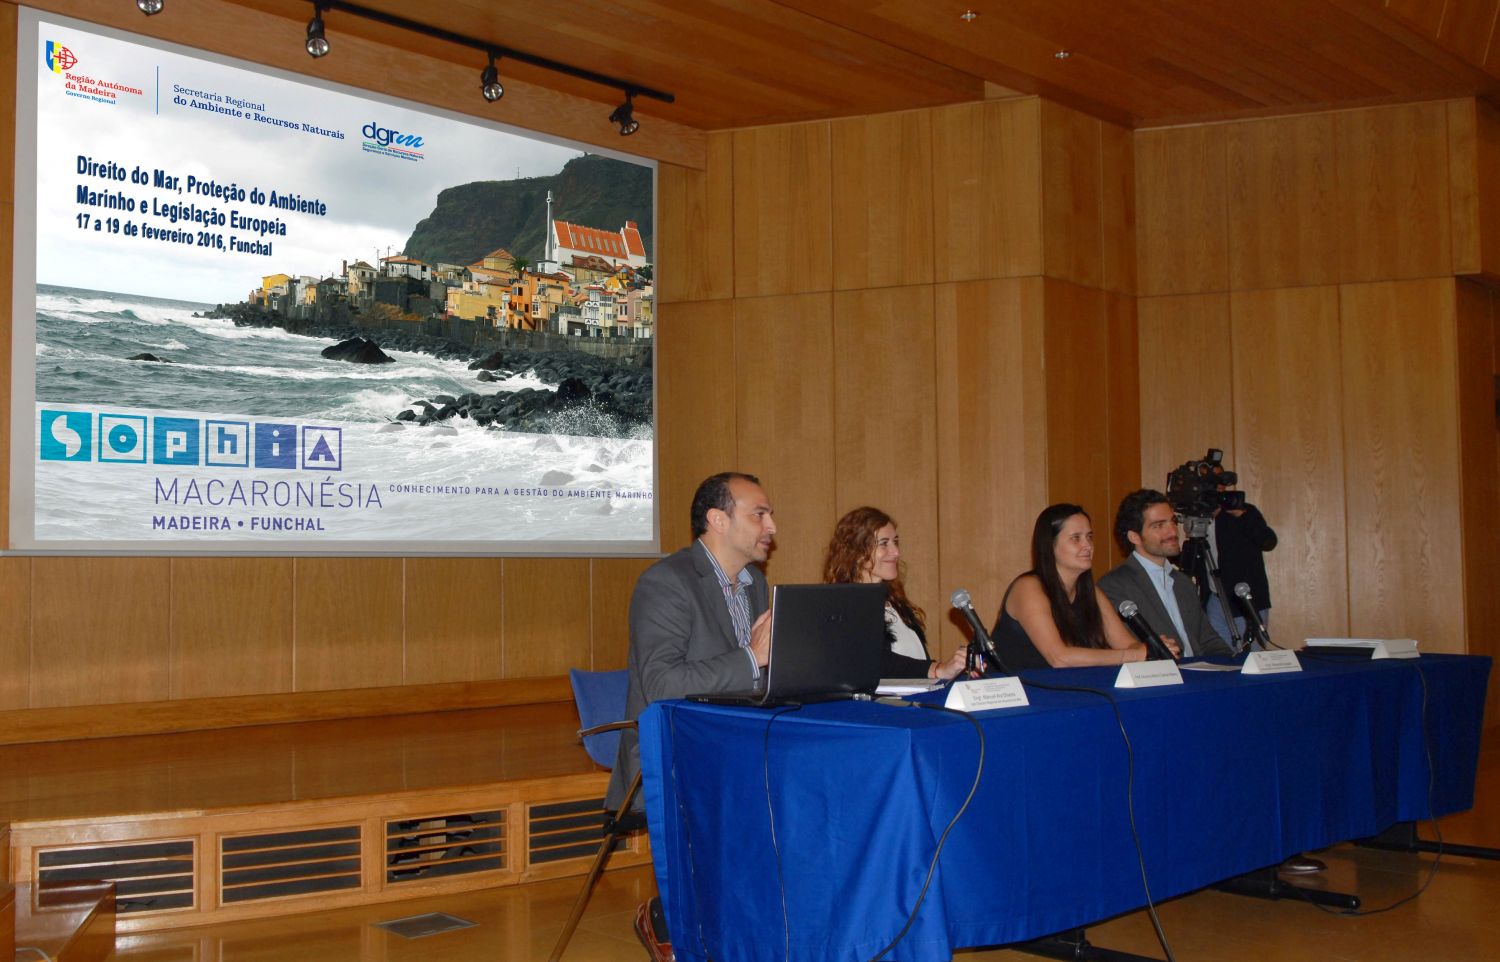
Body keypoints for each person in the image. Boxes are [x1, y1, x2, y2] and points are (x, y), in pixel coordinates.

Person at [609, 471, 777, 962]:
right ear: (718, 520)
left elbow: (755, 675)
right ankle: (669, 914)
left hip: (737, 737)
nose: (771, 525)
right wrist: (753, 658)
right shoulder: (665, 582)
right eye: (760, 514)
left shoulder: (755, 584)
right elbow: (660, 683)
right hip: (678, 744)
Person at [992, 503, 1176, 669]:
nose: (1087, 545)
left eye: (1089, 537)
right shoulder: (1028, 588)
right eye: (1076, 538)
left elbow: (1126, 644)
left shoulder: (1090, 591)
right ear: (1050, 546)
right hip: (1020, 696)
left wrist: (1152, 648)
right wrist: (1136, 655)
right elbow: (1059, 658)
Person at [821, 506, 968, 681]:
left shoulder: (893, 601)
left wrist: (956, 668)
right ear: (856, 552)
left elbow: (913, 661)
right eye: (884, 543)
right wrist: (938, 669)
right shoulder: (844, 607)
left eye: (895, 541)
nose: (896, 552)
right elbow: (875, 662)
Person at [1098, 489, 1231, 659]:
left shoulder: (1183, 582)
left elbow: (1208, 640)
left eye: (1173, 522)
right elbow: (1127, 649)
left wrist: (1234, 666)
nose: (1173, 531)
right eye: (1159, 525)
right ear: (1134, 537)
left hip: (1198, 676)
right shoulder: (1114, 586)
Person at [1204, 486, 1277, 649]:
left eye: (1219, 483)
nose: (1217, 488)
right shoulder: (1200, 517)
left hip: (1244, 598)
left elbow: (1268, 541)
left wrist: (1241, 515)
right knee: (1219, 654)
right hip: (1215, 597)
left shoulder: (1241, 512)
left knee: (1250, 655)